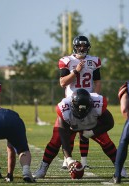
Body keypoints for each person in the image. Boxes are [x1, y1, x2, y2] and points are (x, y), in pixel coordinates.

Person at [35, 35, 102, 173]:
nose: (82, 48)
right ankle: (52, 164)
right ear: (75, 47)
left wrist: (95, 96)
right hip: (71, 102)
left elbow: (97, 82)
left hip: (88, 101)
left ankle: (87, 162)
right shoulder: (67, 61)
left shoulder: (94, 61)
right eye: (80, 46)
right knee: (59, 135)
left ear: (88, 47)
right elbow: (62, 83)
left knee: (92, 134)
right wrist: (76, 71)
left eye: (84, 46)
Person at [34, 89, 127, 179]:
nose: (81, 113)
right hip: (71, 125)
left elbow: (109, 123)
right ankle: (43, 168)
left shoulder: (98, 105)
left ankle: (120, 168)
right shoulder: (64, 109)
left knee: (105, 141)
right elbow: (64, 138)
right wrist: (69, 159)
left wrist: (90, 133)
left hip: (91, 124)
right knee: (55, 141)